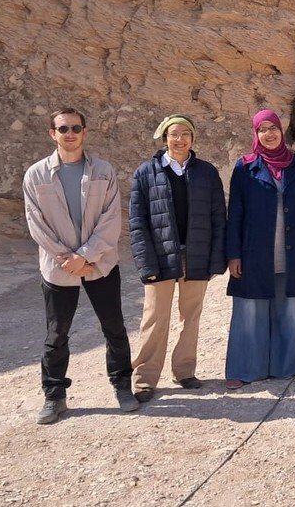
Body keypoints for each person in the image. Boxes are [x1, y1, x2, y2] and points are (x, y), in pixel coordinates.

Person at [22, 107, 138, 424]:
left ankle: (122, 387)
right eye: (63, 129)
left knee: (114, 328)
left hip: (100, 264)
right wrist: (68, 259)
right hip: (58, 268)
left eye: (75, 128)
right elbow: (36, 224)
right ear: (53, 134)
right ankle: (54, 396)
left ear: (85, 132)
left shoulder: (103, 171)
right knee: (56, 334)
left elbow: (111, 219)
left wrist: (85, 256)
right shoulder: (36, 175)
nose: (70, 134)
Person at [127, 114, 227, 403]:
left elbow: (218, 217)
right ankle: (144, 379)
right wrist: (146, 263)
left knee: (191, 317)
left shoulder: (207, 172)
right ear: (164, 138)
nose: (180, 139)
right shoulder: (145, 173)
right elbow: (137, 222)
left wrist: (215, 259)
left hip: (196, 254)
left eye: (185, 134)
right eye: (174, 134)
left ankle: (184, 371)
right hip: (160, 257)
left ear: (193, 138)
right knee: (154, 319)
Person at [224, 110, 295, 390]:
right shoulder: (244, 168)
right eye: (262, 129)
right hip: (254, 253)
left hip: (293, 250)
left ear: (281, 130)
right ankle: (245, 369)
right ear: (256, 134)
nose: (269, 134)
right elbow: (235, 213)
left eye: (273, 128)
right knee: (250, 312)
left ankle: (290, 366)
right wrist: (233, 254)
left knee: (292, 308)